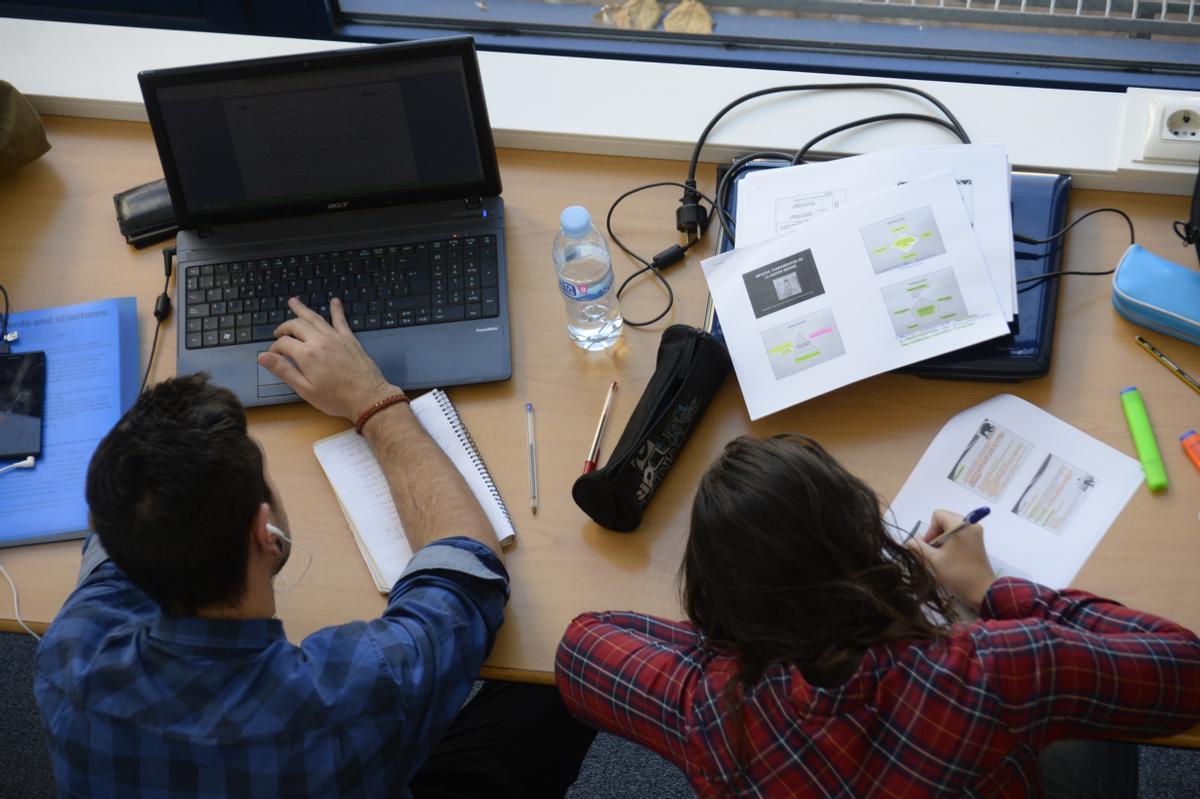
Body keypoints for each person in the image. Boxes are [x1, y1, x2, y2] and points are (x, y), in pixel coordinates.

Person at [36, 296, 595, 798]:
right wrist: (372, 399)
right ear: (264, 532)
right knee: (565, 665)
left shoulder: (71, 657)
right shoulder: (348, 697)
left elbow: (119, 515)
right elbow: (468, 570)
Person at [556, 433, 1200, 798]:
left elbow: (581, 645)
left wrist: (745, 635)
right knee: (1084, 720)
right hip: (983, 733)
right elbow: (1186, 672)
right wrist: (994, 590)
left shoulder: (713, 712)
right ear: (865, 539)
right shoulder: (1001, 668)